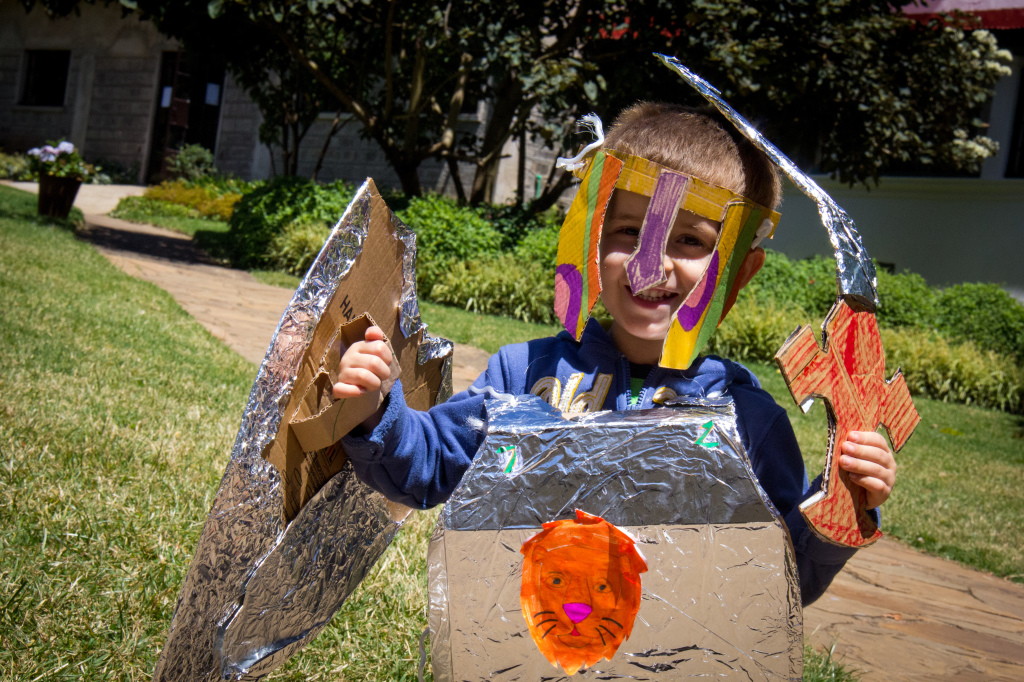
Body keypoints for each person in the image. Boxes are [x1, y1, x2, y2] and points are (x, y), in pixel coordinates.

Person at [332, 103, 897, 605]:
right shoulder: (522, 374)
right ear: (593, 238)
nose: (652, 264)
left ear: (739, 273)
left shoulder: (750, 423)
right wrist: (376, 411)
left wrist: (842, 510)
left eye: (692, 241)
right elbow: (429, 467)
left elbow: (782, 581)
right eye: (630, 231)